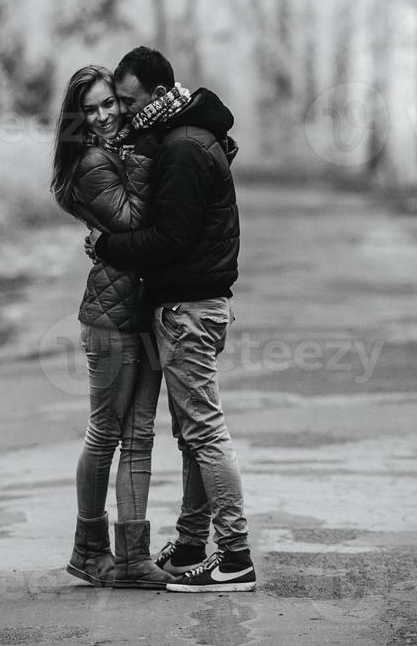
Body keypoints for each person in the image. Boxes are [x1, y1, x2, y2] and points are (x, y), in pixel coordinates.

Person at [87, 46, 256, 593]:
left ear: (159, 96)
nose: (126, 112)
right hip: (192, 304)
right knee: (191, 436)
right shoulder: (181, 136)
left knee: (204, 432)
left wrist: (108, 243)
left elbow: (171, 238)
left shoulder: (183, 148)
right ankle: (190, 545)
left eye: (131, 102)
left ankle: (234, 558)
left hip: (188, 309)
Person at [50, 64, 174, 589]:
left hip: (141, 310)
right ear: (78, 120)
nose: (104, 116)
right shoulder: (93, 163)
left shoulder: (118, 149)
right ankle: (88, 548)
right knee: (105, 433)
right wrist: (149, 159)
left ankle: (132, 558)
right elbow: (133, 221)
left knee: (139, 435)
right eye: (93, 109)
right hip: (111, 320)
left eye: (110, 105)